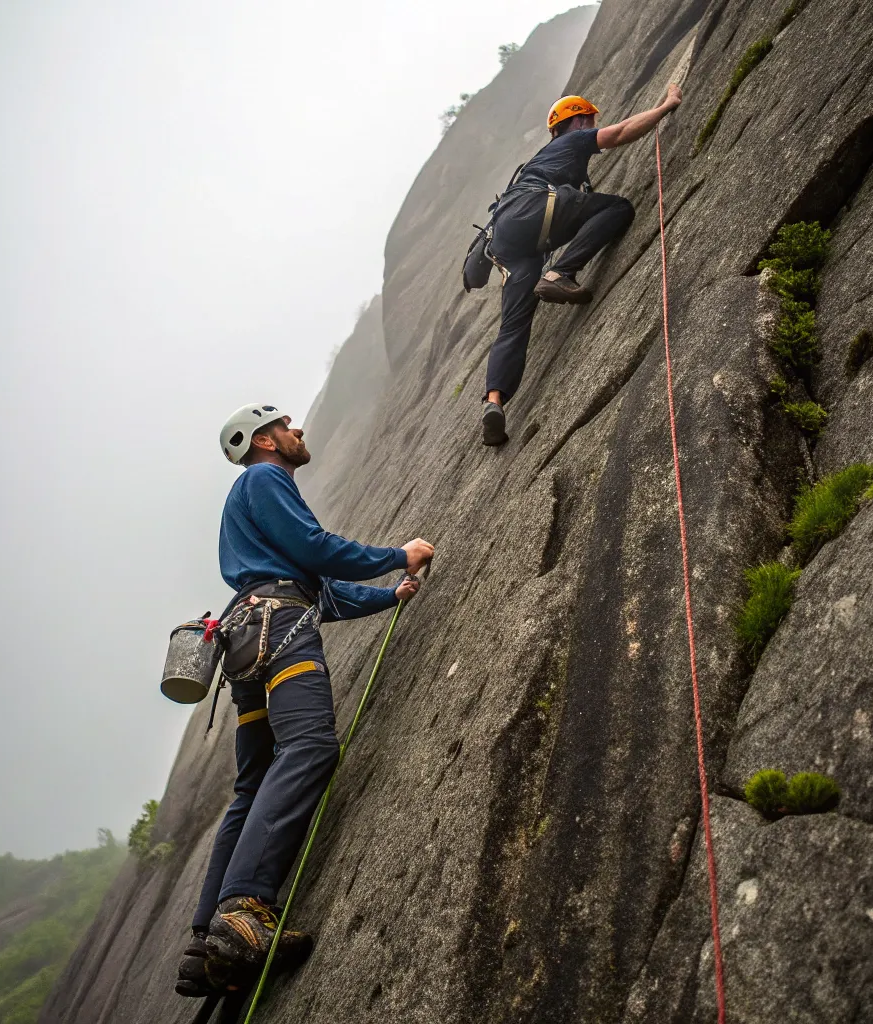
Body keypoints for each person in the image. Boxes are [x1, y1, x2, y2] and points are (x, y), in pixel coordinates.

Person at [176, 403, 434, 997]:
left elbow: (322, 589)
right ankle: (243, 912)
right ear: (265, 440)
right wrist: (399, 553)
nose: (298, 432)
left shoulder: (253, 501)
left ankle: (204, 940)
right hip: (280, 630)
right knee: (311, 747)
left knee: (253, 782)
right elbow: (314, 549)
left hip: (249, 637)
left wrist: (390, 593)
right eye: (287, 427)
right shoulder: (265, 478)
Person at [481, 85, 684, 446]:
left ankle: (493, 402)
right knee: (618, 207)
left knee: (513, 327)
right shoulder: (569, 143)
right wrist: (667, 105)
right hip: (533, 210)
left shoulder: (544, 162)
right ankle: (561, 273)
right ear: (576, 121)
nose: (591, 124)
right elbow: (619, 133)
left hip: (508, 240)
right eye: (588, 119)